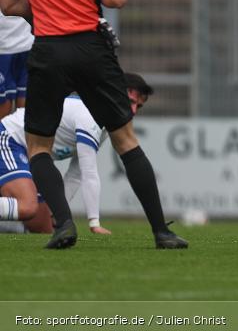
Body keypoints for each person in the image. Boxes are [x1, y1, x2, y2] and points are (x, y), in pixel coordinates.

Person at [0, 0, 187, 250]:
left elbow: (8, 4)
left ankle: (63, 224)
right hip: (90, 47)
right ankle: (161, 231)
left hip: (47, 48)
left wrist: (43, 8)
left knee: (39, 146)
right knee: (125, 139)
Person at [0, 72, 153, 235]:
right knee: (27, 207)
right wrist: (94, 222)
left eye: (139, 106)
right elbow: (89, 172)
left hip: (28, 154)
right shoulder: (91, 115)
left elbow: (75, 174)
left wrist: (56, 211)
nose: (134, 111)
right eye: (131, 101)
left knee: (45, 229)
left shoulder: (104, 122)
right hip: (9, 139)